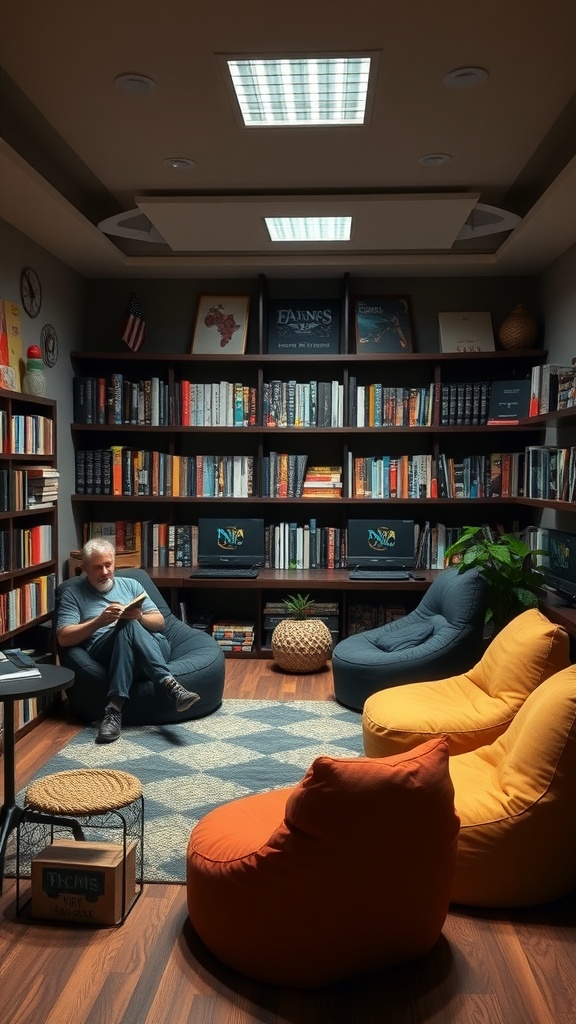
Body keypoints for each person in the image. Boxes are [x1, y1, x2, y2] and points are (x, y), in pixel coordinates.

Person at [56, 539, 200, 743]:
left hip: (153, 646)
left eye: (109, 564)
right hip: (106, 649)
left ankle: (114, 708)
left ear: (115, 563)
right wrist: (99, 621)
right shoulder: (73, 593)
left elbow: (159, 622)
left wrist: (139, 616)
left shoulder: (132, 584)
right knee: (125, 625)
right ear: (84, 568)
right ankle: (170, 684)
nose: (105, 572)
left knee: (129, 623)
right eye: (98, 567)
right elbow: (63, 637)